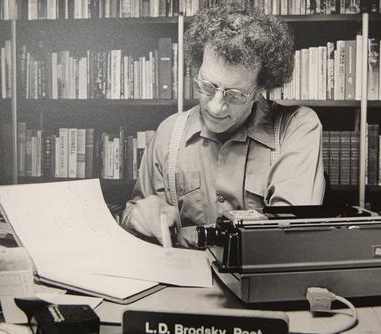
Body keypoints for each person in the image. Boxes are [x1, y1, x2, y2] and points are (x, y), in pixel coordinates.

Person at [121, 3, 325, 247]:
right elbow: (134, 217)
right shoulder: (168, 134)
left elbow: (287, 237)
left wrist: (183, 234)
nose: (216, 107)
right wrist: (139, 217)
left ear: (261, 89)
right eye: (207, 87)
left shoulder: (297, 128)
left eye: (235, 94)